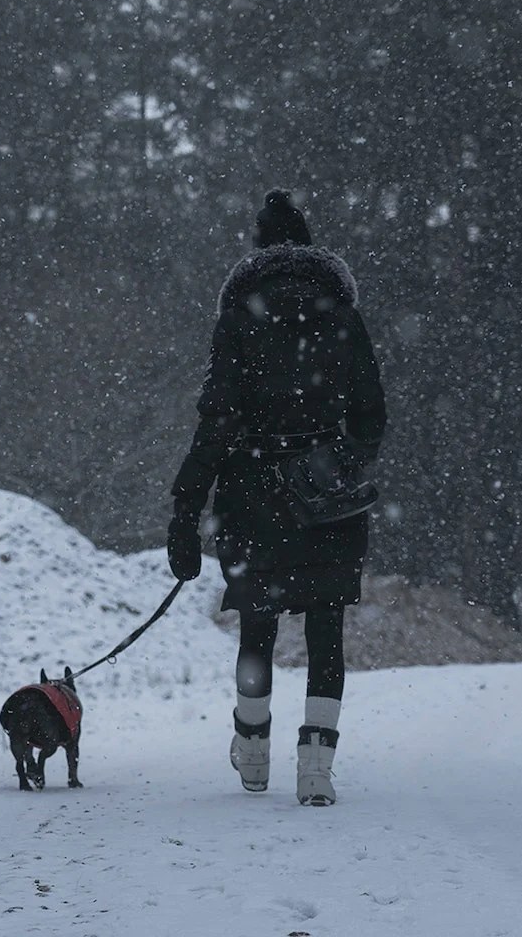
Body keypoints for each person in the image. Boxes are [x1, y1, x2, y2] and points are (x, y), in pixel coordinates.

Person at [167, 189, 386, 806]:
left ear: (260, 251)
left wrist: (186, 509)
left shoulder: (241, 316)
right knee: (326, 629)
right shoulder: (342, 316)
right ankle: (316, 766)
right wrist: (331, 459)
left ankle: (254, 748)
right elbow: (372, 418)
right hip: (328, 497)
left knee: (256, 628)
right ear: (310, 249)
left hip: (250, 491)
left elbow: (213, 423)